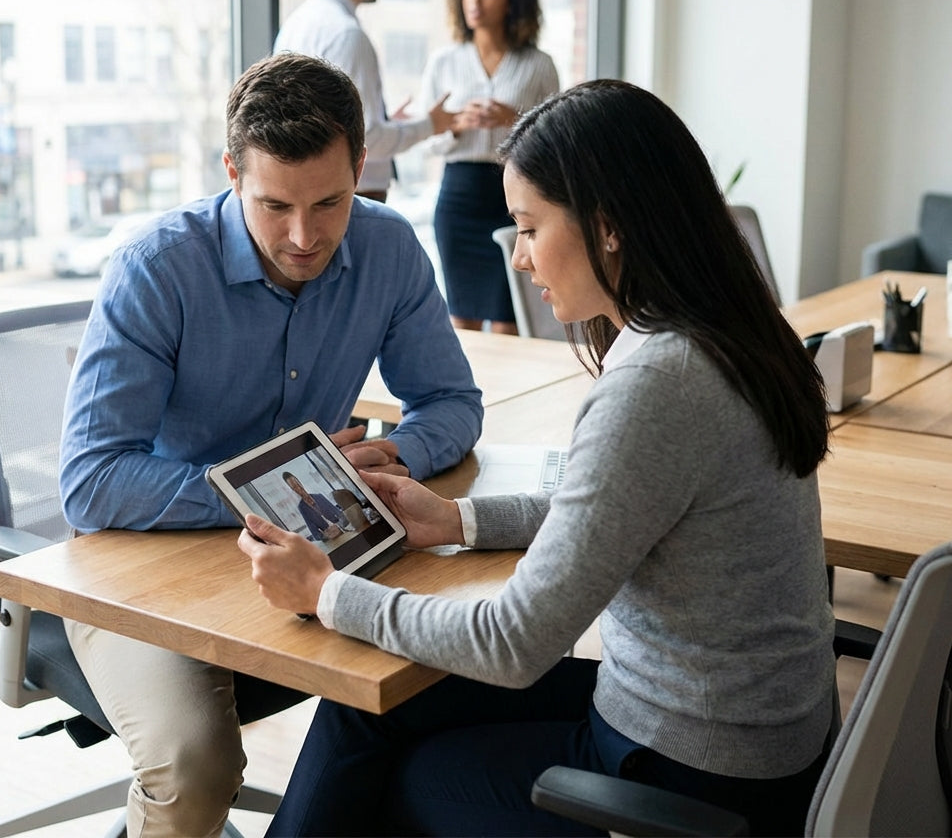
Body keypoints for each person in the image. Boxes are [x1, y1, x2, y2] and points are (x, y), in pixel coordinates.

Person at [238, 79, 836, 837]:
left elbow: (512, 642)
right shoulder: (727, 333)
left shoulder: (658, 382)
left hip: (689, 769)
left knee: (403, 778)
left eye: (527, 227)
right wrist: (456, 519)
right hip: (742, 737)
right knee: (369, 708)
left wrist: (326, 591)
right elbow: (622, 506)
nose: (519, 258)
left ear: (608, 227)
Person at [59, 52, 483, 838]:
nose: (303, 236)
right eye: (274, 205)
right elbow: (91, 482)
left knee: (450, 669)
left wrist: (400, 454)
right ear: (232, 173)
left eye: (329, 202)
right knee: (193, 765)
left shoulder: (388, 248)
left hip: (309, 557)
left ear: (361, 166)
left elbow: (452, 402)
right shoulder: (157, 269)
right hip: (145, 568)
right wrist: (277, 489)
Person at [419, 0, 560, 333]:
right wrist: (455, 126)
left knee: (507, 320)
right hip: (459, 198)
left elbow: (556, 137)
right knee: (460, 320)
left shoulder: (539, 64)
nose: (475, 0)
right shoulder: (444, 62)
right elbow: (426, 142)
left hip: (514, 198)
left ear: (512, 2)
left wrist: (514, 120)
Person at [273, 0, 456, 202]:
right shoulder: (347, 34)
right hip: (353, 194)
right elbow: (367, 137)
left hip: (318, 190)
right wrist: (431, 125)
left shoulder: (296, 24)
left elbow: (327, 123)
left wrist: (386, 121)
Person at [282, 471, 348, 541]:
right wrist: (326, 535)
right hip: (332, 540)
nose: (298, 488)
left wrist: (338, 526)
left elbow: (342, 516)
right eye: (294, 487)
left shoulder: (319, 496)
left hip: (343, 532)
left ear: (300, 483)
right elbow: (315, 534)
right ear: (292, 490)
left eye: (298, 484)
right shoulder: (302, 508)